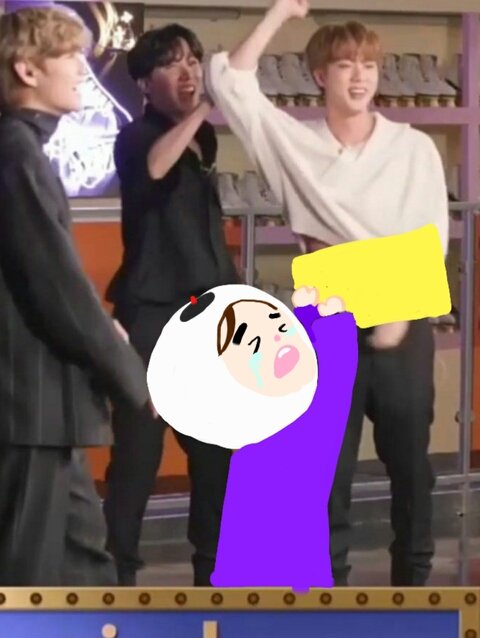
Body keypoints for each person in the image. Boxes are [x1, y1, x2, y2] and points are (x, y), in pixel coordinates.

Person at [205, 0, 449, 586]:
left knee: (410, 467)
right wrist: (278, 14)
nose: (359, 76)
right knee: (325, 472)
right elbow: (230, 81)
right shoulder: (295, 142)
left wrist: (390, 306)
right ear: (320, 75)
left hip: (398, 319)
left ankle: (413, 591)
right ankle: (328, 595)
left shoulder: (412, 147)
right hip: (327, 319)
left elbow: (431, 241)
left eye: (369, 64)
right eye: (345, 65)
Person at [0, 6, 150, 586]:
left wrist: (106, 332)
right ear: (27, 70)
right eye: (69, 56)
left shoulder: (21, 150)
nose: (81, 71)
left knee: (86, 570)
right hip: (27, 410)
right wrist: (134, 380)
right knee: (27, 578)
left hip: (46, 411)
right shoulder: (15, 151)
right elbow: (53, 285)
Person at [103, 24, 240, 587]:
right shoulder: (134, 137)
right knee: (138, 455)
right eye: (172, 64)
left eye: (194, 61)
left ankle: (212, 578)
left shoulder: (204, 139)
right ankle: (116, 582)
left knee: (217, 452)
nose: (188, 72)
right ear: (143, 82)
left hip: (206, 311)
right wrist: (204, 105)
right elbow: (157, 168)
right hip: (151, 315)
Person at [147, 284, 358, 591]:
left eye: (279, 325)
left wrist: (316, 320)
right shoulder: (261, 439)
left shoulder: (291, 427)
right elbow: (334, 372)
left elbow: (329, 373)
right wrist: (329, 326)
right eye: (253, 345)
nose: (275, 339)